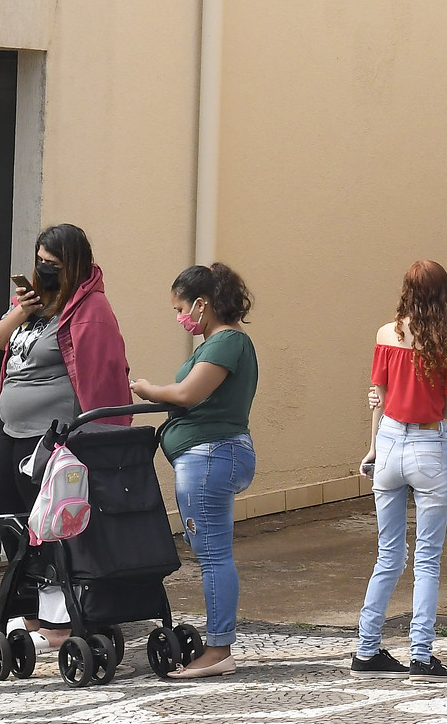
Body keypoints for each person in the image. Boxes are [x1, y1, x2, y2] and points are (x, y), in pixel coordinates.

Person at [0, 223, 132, 648]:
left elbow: (102, 373)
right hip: (13, 430)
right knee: (9, 519)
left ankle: (60, 622)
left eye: (52, 263)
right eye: (39, 262)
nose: (43, 270)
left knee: (50, 528)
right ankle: (31, 613)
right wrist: (22, 310)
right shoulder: (34, 301)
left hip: (52, 438)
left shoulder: (90, 308)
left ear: (73, 264)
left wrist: (95, 437)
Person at [130, 263, 259, 680]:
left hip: (210, 457)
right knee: (212, 553)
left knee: (214, 557)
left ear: (202, 304)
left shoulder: (227, 342)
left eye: (179, 308)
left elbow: (188, 393)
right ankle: (217, 645)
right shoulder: (219, 343)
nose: (179, 317)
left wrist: (148, 390)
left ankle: (219, 650)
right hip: (211, 456)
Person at [349, 260, 447, 682]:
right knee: (427, 556)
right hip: (429, 444)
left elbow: (379, 400)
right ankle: (421, 655)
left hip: (389, 442)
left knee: (389, 554)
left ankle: (366, 650)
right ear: (444, 293)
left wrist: (372, 448)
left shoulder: (386, 334)